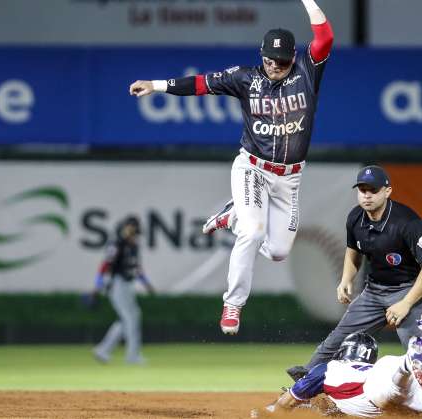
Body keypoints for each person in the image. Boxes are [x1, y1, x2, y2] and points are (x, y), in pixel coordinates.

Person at [129, 0, 334, 335]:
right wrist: (156, 85)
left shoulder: (307, 71)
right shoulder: (245, 79)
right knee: (253, 232)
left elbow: (324, 38)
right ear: (262, 54)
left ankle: (233, 214)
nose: (275, 66)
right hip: (253, 168)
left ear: (293, 58)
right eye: (270, 59)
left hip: (290, 178)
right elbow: (201, 84)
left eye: (282, 61)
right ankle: (233, 304)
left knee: (279, 251)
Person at [287, 165, 422, 381]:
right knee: (338, 340)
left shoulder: (407, 221)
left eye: (373, 190)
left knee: (416, 347)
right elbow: (353, 251)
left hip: (410, 290)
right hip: (375, 292)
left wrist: (406, 303)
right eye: (362, 190)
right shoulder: (355, 218)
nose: (367, 195)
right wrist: (346, 279)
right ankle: (303, 386)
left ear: (387, 191)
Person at [263, 307, 422, 418]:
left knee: (389, 394)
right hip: (397, 375)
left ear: (343, 353)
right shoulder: (369, 366)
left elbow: (287, 403)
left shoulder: (328, 368)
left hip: (381, 384)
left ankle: (410, 361)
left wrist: (271, 411)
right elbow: (334, 409)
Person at [91, 216, 155, 365]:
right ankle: (132, 355)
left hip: (128, 285)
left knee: (126, 320)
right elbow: (105, 265)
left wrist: (145, 283)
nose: (132, 229)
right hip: (117, 284)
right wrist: (97, 285)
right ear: (125, 227)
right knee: (131, 318)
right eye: (130, 226)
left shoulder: (134, 246)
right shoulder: (117, 244)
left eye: (134, 227)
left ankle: (103, 350)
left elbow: (136, 268)